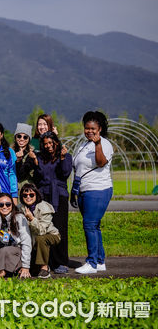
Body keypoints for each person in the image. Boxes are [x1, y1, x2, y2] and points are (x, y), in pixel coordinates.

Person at [73, 111, 113, 274]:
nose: (89, 131)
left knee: (89, 225)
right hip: (83, 189)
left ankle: (92, 263)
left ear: (100, 129)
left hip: (98, 189)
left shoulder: (104, 144)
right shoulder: (84, 144)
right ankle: (99, 260)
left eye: (93, 129)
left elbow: (101, 162)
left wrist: (97, 144)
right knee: (94, 226)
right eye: (87, 128)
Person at [33, 131, 72, 274]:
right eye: (46, 144)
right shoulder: (40, 158)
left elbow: (65, 174)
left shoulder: (66, 156)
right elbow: (38, 178)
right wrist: (36, 164)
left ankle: (61, 262)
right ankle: (46, 261)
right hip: (44, 196)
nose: (49, 146)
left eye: (51, 143)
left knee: (60, 229)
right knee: (44, 227)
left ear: (56, 142)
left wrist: (62, 159)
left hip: (59, 196)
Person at [0, 193, 32, 278]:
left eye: (8, 204)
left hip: (15, 252)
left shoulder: (19, 218)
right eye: (1, 205)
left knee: (6, 250)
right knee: (0, 252)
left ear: (12, 205)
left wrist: (25, 266)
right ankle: (6, 271)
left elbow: (26, 242)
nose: (5, 207)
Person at [17, 184, 60, 279]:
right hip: (31, 237)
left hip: (50, 234)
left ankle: (44, 267)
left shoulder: (44, 207)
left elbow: (42, 231)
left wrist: (32, 219)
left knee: (41, 239)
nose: (28, 197)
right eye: (25, 195)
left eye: (31, 195)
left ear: (36, 195)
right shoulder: (19, 208)